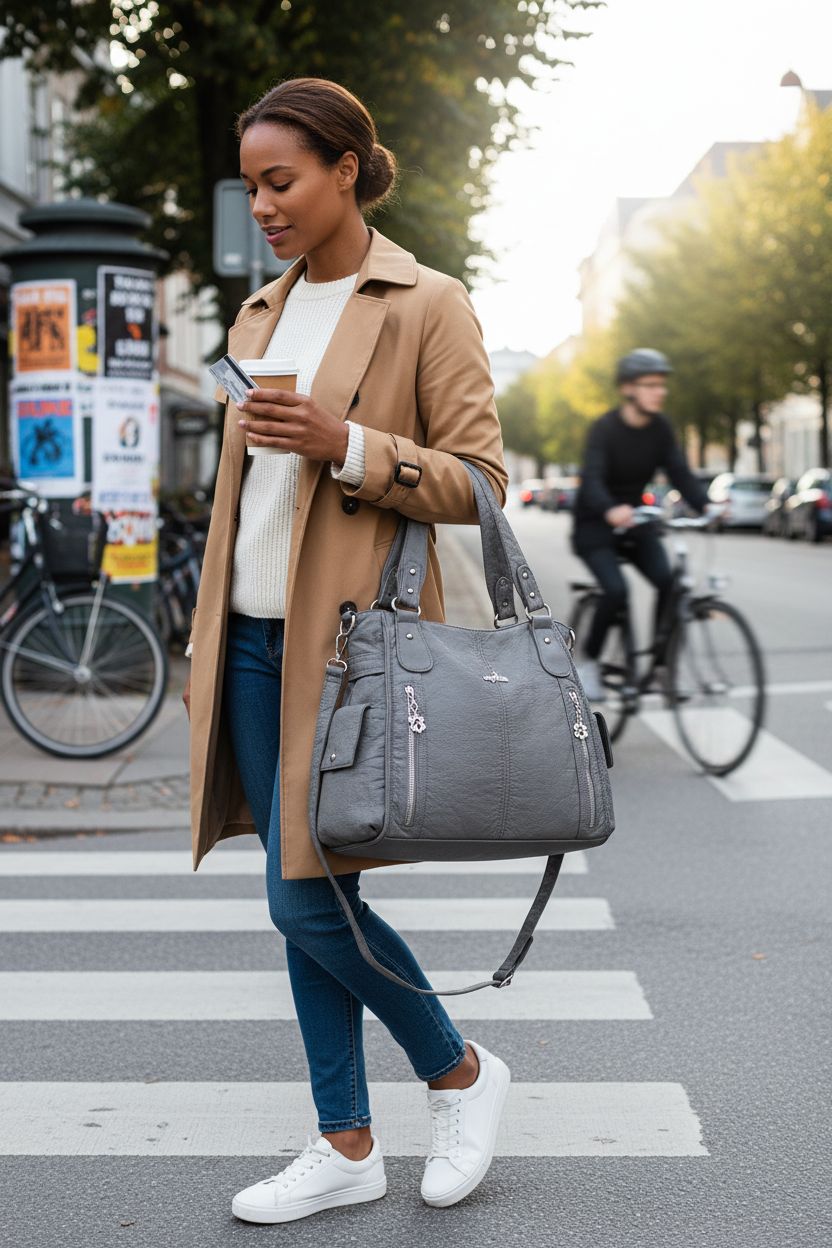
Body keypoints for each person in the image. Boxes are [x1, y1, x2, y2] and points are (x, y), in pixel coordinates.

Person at [182, 78, 510, 1224]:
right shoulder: (257, 317)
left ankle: (459, 1071)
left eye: (280, 182)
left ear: (346, 171)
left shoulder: (426, 302)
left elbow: (482, 486)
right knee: (303, 895)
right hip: (253, 645)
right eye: (252, 186)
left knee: (301, 901)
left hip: (354, 654)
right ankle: (346, 1140)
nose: (263, 205)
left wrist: (354, 446)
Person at [572, 349, 710, 700]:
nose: (659, 392)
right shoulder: (604, 429)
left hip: (637, 522)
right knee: (616, 591)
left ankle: (662, 668)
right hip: (595, 526)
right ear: (628, 389)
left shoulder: (661, 429)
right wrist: (609, 509)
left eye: (661, 385)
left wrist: (707, 504)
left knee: (670, 582)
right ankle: (589, 660)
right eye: (650, 385)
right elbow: (592, 480)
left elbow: (678, 471)